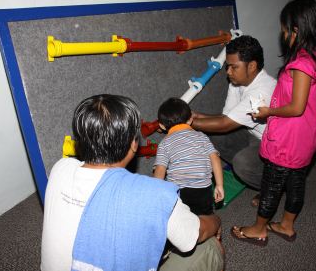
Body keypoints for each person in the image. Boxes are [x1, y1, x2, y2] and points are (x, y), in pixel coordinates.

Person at [41, 94, 224, 271]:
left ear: (79, 141)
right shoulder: (154, 195)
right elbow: (197, 233)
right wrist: (215, 220)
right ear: (134, 144)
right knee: (210, 247)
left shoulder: (60, 168)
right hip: (198, 200)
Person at [231, 0, 316, 246]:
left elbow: (296, 107)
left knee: (272, 184)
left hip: (289, 137)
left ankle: (258, 229)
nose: (283, 33)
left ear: (297, 30)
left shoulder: (301, 64)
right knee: (296, 182)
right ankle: (286, 225)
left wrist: (268, 111)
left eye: (285, 29)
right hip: (307, 136)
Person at [191, 35, 276, 206]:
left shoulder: (262, 91)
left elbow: (225, 125)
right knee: (214, 134)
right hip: (252, 135)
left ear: (251, 66)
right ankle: (257, 171)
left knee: (242, 163)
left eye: (233, 67)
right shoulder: (237, 82)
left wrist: (185, 122)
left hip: (273, 145)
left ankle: (274, 186)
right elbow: (226, 117)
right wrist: (196, 115)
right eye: (228, 66)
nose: (228, 72)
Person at [153, 97, 224, 215]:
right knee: (205, 215)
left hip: (179, 190)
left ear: (162, 126)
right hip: (202, 187)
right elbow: (215, 158)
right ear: (190, 119)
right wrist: (219, 185)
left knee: (181, 218)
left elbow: (160, 169)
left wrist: (155, 193)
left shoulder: (164, 143)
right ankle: (210, 229)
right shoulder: (201, 136)